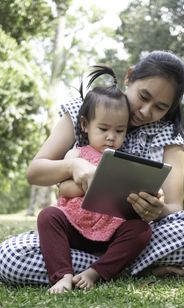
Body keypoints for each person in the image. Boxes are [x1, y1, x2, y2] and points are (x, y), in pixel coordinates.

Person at [0, 50, 184, 287]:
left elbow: (174, 209)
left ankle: (107, 264)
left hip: (130, 236)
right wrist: (75, 164)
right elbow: (35, 172)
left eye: (160, 107)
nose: (146, 111)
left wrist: (157, 210)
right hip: (76, 231)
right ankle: (129, 268)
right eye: (143, 96)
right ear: (130, 77)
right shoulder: (83, 110)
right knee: (8, 258)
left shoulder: (170, 136)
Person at [38, 65, 151, 293]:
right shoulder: (76, 154)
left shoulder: (125, 160)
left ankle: (95, 272)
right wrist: (97, 185)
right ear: (85, 125)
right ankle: (63, 275)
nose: (111, 137)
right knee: (48, 216)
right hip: (75, 226)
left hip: (111, 231)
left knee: (141, 231)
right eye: (103, 129)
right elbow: (66, 191)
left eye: (120, 131)